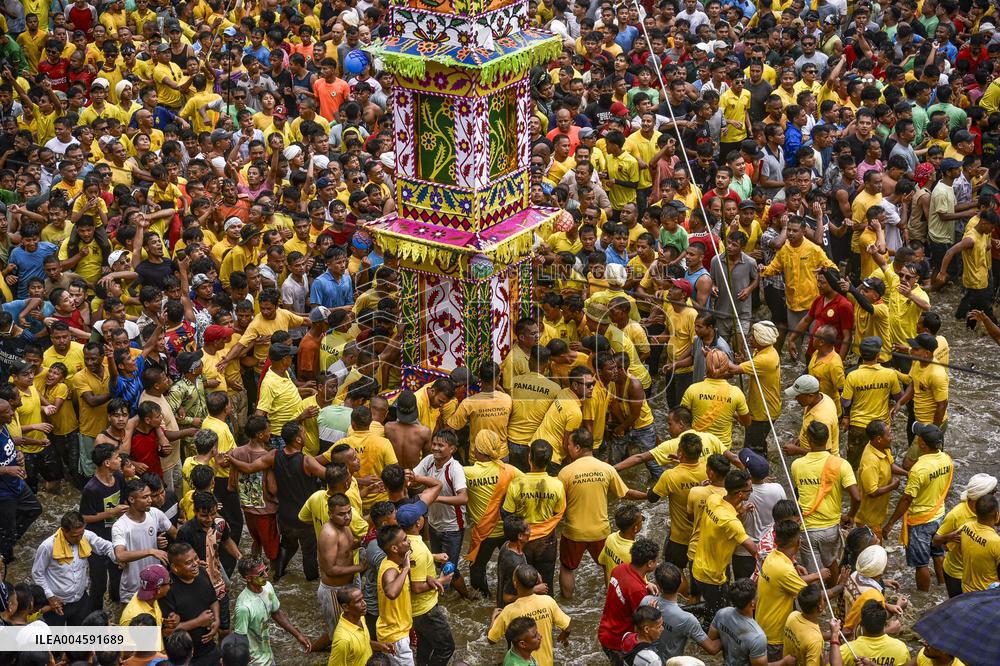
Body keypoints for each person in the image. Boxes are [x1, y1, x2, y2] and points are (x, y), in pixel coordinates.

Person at [557, 427, 644, 599]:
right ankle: (613, 598)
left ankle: (566, 603)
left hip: (574, 532)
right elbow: (625, 493)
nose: (567, 447)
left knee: (567, 567)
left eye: (569, 444)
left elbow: (559, 506)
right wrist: (648, 495)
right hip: (601, 531)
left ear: (577, 448)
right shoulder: (606, 469)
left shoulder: (565, 473)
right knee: (607, 565)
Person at [883, 423, 953, 592]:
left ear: (922, 444)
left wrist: (890, 523)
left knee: (921, 563)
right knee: (938, 554)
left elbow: (906, 499)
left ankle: (923, 595)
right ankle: (942, 586)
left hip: (920, 521)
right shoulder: (947, 459)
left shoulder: (919, 469)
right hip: (939, 514)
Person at [790, 421, 859, 581]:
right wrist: (850, 516)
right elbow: (856, 497)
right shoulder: (841, 464)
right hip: (831, 529)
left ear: (808, 439)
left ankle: (819, 599)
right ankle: (835, 590)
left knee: (814, 574)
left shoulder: (797, 465)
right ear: (827, 438)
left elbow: (799, 492)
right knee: (830, 562)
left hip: (808, 529)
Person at [29, 510, 120, 626]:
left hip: (80, 600)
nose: (78, 538)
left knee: (82, 637)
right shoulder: (48, 546)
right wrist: (50, 597)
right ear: (63, 531)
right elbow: (37, 573)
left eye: (81, 534)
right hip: (57, 603)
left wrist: (119, 558)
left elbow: (106, 547)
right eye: (74, 536)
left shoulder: (85, 536)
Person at [502, 440, 565, 594]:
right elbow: (558, 513)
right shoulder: (557, 485)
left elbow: (507, 513)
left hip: (523, 540)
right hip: (547, 541)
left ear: (529, 458)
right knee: (546, 582)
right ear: (549, 461)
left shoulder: (516, 483)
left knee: (520, 581)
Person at [232, 557, 310, 666]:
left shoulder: (267, 587)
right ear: (248, 578)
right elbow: (239, 636)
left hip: (267, 654)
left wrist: (298, 635)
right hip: (254, 661)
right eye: (261, 574)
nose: (266, 575)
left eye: (266, 570)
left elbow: (276, 613)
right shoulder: (244, 607)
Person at [488, 563, 571, 666]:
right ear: (537, 581)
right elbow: (567, 628)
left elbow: (491, 640)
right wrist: (563, 636)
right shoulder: (548, 601)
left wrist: (493, 619)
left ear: (515, 583)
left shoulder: (508, 611)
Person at [934, 473, 999, 597]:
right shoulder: (956, 515)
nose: (995, 496)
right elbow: (935, 541)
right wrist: (949, 537)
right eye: (993, 492)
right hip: (956, 573)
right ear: (979, 497)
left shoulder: (989, 509)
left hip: (976, 574)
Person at [641, 561, 721, 659]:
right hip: (671, 663)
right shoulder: (687, 619)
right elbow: (712, 648)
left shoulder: (646, 602)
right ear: (681, 582)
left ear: (657, 585)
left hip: (645, 658)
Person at [835, 601, 911, 666]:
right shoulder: (901, 648)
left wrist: (834, 636)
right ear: (885, 623)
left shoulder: (846, 650)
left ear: (861, 623)